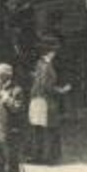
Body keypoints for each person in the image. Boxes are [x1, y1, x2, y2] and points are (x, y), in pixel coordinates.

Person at [28, 36, 71, 165]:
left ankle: (38, 156)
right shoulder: (47, 66)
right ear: (50, 52)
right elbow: (47, 87)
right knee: (52, 128)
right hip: (46, 101)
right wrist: (62, 90)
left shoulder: (39, 63)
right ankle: (51, 158)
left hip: (36, 99)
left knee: (38, 129)